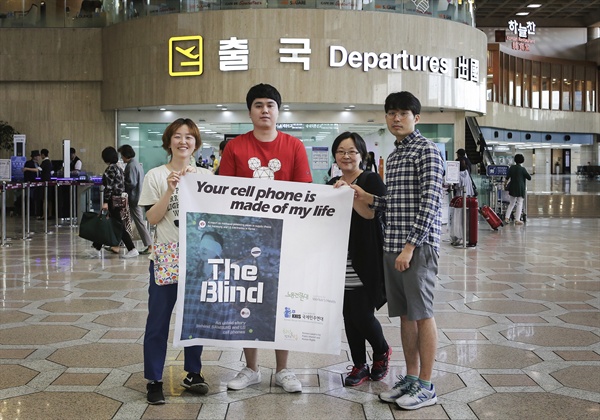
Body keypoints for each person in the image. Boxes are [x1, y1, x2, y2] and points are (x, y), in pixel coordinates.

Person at [350, 92, 444, 410]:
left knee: (422, 314)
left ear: (416, 118)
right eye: (391, 113)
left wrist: (409, 247)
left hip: (416, 249)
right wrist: (365, 196)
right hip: (394, 249)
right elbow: (393, 205)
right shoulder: (395, 155)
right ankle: (412, 378)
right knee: (405, 317)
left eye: (403, 112)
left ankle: (427, 385)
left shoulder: (427, 151)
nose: (396, 118)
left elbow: (430, 203)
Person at [219, 83, 312, 393]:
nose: (264, 110)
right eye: (258, 105)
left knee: (282, 302)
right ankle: (251, 368)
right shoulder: (235, 148)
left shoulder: (294, 146)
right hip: (245, 240)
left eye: (270, 105)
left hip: (283, 240)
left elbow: (305, 195)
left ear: (278, 110)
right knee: (247, 301)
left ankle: (284, 370)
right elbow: (224, 193)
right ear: (250, 112)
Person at [138, 118, 213, 405]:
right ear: (169, 141)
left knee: (195, 318)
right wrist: (170, 189)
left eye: (189, 137)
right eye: (178, 136)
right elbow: (152, 219)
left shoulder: (205, 175)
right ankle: (154, 379)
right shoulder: (156, 176)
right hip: (166, 256)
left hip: (197, 256)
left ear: (196, 143)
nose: (184, 141)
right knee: (158, 320)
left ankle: (194, 373)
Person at [328, 132, 390, 386]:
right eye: (341, 151)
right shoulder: (332, 182)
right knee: (348, 315)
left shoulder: (371, 179)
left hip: (366, 258)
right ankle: (359, 365)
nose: (346, 156)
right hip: (339, 257)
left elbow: (370, 214)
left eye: (352, 151)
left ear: (362, 155)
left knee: (362, 314)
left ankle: (381, 350)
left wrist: (349, 194)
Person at [93, 146, 139, 259]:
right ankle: (97, 246)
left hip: (113, 199)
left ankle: (132, 248)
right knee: (113, 223)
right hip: (120, 199)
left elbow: (109, 187)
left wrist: (105, 202)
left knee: (118, 225)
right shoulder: (118, 168)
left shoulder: (110, 169)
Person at [118, 144, 152, 255]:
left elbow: (132, 182)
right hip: (138, 196)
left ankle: (150, 245)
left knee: (139, 222)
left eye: (122, 155)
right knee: (126, 221)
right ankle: (118, 243)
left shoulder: (131, 166)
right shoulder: (136, 164)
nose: (122, 158)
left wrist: (123, 182)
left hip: (134, 198)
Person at [504, 153, 531, 225]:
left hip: (512, 187)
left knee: (511, 203)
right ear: (522, 160)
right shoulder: (522, 169)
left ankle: (507, 218)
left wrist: (505, 185)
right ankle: (517, 219)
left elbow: (507, 178)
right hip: (520, 188)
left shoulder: (512, 168)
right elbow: (529, 178)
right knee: (519, 203)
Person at [23, 150, 42, 218]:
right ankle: (30, 212)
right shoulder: (29, 163)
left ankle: (35, 212)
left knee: (35, 198)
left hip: (36, 183)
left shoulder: (37, 164)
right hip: (30, 183)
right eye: (37, 156)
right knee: (30, 198)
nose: (39, 157)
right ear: (34, 157)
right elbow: (26, 172)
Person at [39, 149, 54, 219]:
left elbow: (38, 169)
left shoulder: (44, 162)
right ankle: (50, 214)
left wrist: (26, 168)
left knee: (44, 199)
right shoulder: (50, 163)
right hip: (49, 182)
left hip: (44, 182)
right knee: (49, 199)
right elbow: (52, 172)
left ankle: (44, 215)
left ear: (43, 155)